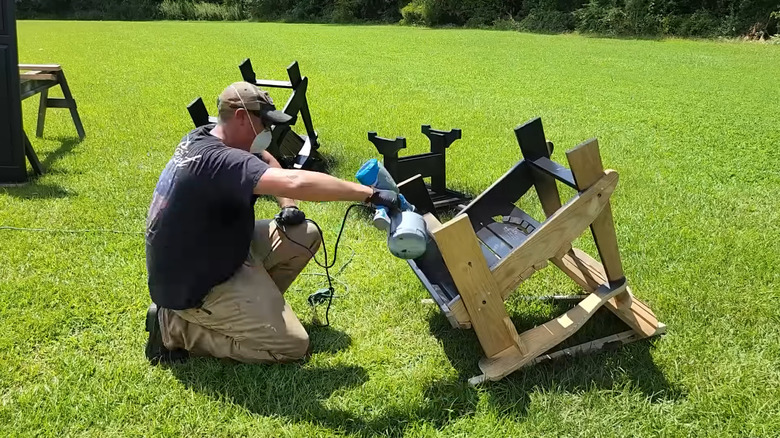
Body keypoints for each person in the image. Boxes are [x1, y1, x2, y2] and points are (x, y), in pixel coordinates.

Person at [144, 82, 398, 364]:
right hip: (194, 284)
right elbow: (295, 180)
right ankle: (174, 328)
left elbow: (266, 157)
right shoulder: (222, 160)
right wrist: (370, 194)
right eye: (263, 123)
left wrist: (287, 205)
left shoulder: (206, 136)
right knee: (292, 347)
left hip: (215, 252)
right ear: (240, 116)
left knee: (303, 234)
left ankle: (251, 314)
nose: (267, 131)